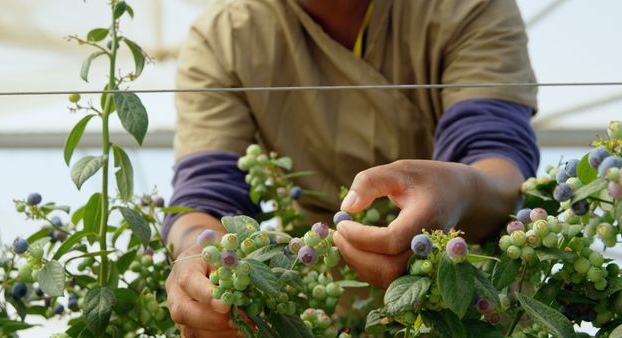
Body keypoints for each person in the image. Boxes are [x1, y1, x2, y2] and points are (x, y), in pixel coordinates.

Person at [163, 0, 539, 336]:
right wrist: (198, 257)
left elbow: (497, 160)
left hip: (463, 301)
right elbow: (207, 197)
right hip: (318, 305)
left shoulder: (467, 7)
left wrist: (462, 193)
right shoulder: (226, 36)